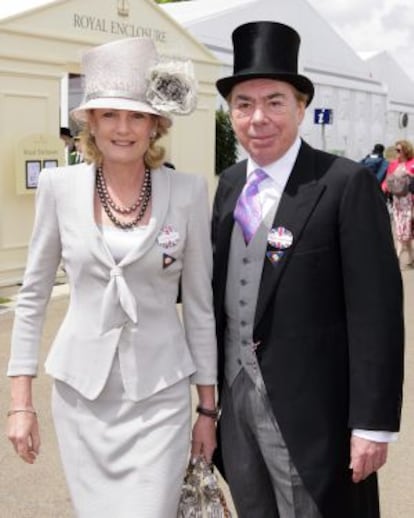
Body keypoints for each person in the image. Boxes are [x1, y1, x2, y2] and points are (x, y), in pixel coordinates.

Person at [7, 37, 217, 518]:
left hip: (161, 397)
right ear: (92, 123)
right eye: (110, 115)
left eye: (137, 116)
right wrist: (20, 403)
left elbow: (201, 307)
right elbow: (34, 296)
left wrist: (207, 409)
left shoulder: (186, 192)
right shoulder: (60, 188)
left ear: (155, 125)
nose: (124, 128)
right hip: (83, 398)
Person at [212, 21, 404, 518]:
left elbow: (376, 314)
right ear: (230, 111)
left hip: (312, 413)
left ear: (300, 106)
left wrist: (372, 424)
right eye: (243, 104)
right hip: (236, 405)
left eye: (274, 102)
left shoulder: (343, 184)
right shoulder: (229, 185)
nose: (258, 118)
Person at [382, 139, 414, 268]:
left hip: (409, 202)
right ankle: (411, 259)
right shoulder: (393, 165)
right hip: (397, 202)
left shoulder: (412, 164)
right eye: (396, 150)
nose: (397, 153)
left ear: (406, 150)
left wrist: (409, 174)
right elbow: (387, 180)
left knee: (403, 233)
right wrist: (382, 189)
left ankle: (395, 259)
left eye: (399, 150)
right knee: (401, 231)